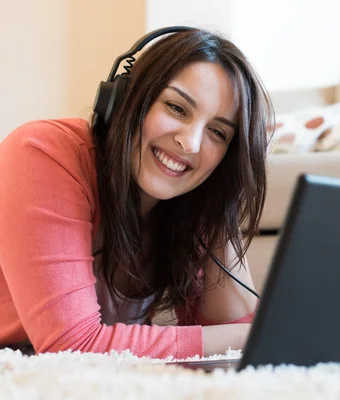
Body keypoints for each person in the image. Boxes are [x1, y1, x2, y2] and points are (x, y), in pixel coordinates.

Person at [0, 26, 274, 359]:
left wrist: (221, 202)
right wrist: (248, 336)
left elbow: (239, 349)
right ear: (126, 99)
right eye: (176, 108)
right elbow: (73, 347)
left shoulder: (184, 203)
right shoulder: (43, 152)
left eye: (217, 132)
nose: (191, 143)